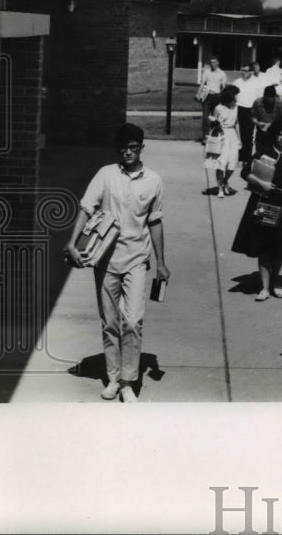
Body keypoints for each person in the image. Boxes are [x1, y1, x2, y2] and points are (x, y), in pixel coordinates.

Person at [65, 123, 169, 402]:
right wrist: (72, 243)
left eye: (134, 147)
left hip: (137, 259)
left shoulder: (153, 180)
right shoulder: (106, 175)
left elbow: (155, 221)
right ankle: (113, 378)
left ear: (141, 148)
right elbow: (86, 207)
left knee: (132, 321)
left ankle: (128, 381)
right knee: (110, 322)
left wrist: (161, 262)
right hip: (106, 260)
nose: (128, 152)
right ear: (118, 149)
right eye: (124, 147)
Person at [232, 119, 282, 302]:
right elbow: (245, 172)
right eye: (279, 134)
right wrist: (261, 183)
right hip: (265, 203)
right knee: (264, 246)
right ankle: (264, 287)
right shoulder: (264, 152)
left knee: (281, 246)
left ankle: (276, 280)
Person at [208, 84, 241, 197]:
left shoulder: (236, 107)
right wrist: (215, 125)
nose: (237, 98)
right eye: (235, 95)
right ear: (229, 97)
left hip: (233, 136)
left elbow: (237, 124)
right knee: (221, 162)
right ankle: (220, 188)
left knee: (232, 162)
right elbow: (212, 122)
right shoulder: (219, 108)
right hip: (222, 135)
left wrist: (239, 139)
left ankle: (225, 181)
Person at [250, 84, 282, 155]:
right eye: (266, 99)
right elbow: (253, 117)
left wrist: (275, 125)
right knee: (260, 153)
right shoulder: (257, 102)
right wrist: (258, 123)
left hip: (274, 133)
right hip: (261, 132)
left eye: (271, 100)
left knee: (273, 153)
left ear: (274, 97)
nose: (269, 102)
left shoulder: (279, 102)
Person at [232, 65, 258, 164]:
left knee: (249, 134)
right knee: (242, 133)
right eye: (242, 70)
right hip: (240, 108)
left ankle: (247, 157)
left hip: (251, 110)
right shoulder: (237, 82)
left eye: (246, 71)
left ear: (251, 72)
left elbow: (259, 97)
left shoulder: (256, 82)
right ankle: (242, 155)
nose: (244, 72)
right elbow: (232, 96)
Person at [197, 56, 227, 141]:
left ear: (217, 63)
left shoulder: (222, 73)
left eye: (214, 62)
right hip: (207, 96)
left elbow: (223, 87)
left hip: (217, 96)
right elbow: (202, 83)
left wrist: (223, 98)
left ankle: (214, 137)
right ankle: (205, 138)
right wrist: (199, 95)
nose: (212, 64)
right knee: (205, 117)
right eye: (211, 62)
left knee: (216, 118)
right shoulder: (206, 72)